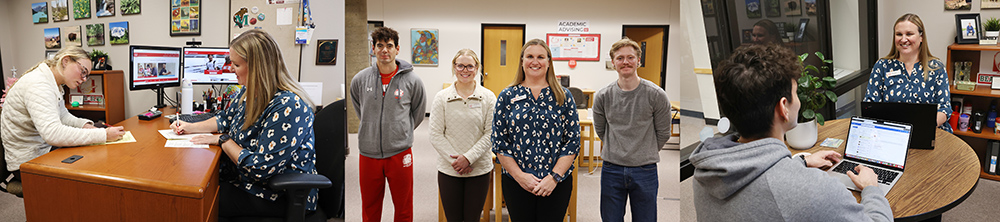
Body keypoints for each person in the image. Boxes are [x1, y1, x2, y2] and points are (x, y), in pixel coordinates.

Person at [690, 44, 892, 221]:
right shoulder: (813, 190)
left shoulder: (706, 171)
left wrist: (801, 162)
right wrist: (871, 188)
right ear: (783, 108)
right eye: (796, 93)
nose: (799, 100)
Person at [169, 29, 318, 219]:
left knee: (194, 203)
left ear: (258, 67)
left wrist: (223, 140)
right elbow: (225, 118)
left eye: (236, 64)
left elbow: (261, 169)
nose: (230, 68)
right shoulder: (248, 92)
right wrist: (189, 127)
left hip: (277, 193)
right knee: (190, 185)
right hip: (245, 181)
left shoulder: (288, 106)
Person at [1, 45, 126, 197]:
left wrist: (86, 126)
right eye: (83, 72)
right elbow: (53, 134)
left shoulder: (52, 82)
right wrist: (103, 135)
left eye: (87, 75)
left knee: (97, 134)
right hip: (27, 162)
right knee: (92, 164)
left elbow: (63, 117)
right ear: (65, 61)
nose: (84, 80)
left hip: (41, 149)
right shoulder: (39, 85)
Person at [492, 38, 580, 221]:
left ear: (548, 62)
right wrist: (521, 177)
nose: (535, 61)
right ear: (522, 61)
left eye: (541, 57)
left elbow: (572, 141)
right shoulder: (507, 96)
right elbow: (500, 143)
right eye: (529, 56)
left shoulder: (563, 96)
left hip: (556, 182)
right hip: (517, 181)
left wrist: (554, 177)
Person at [350, 27, 426, 222]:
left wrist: (401, 130)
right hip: (368, 152)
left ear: (397, 49)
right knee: (370, 206)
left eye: (389, 46)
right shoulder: (360, 79)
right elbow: (361, 109)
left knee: (403, 206)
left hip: (400, 152)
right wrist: (371, 126)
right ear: (373, 49)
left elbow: (417, 113)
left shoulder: (412, 80)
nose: (385, 50)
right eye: (380, 45)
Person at [593, 38, 672, 222]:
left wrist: (643, 152)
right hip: (612, 168)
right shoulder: (603, 96)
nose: (625, 62)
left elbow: (663, 133)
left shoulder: (656, 95)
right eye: (620, 58)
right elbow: (601, 130)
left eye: (630, 57)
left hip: (645, 169)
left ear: (639, 61)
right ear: (613, 63)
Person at [429, 49, 496, 221]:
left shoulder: (488, 97)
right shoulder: (441, 98)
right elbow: (436, 134)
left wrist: (468, 158)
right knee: (453, 218)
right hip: (449, 170)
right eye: (460, 66)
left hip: (478, 169)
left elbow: (490, 133)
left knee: (472, 218)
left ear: (477, 68)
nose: (465, 70)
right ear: (454, 67)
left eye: (469, 66)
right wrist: (457, 162)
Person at [864, 13, 953, 132]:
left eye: (909, 34)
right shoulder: (882, 66)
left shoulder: (936, 67)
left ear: (921, 37)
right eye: (899, 34)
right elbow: (870, 106)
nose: (903, 39)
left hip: (929, 130)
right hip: (893, 134)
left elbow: (944, 108)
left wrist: (921, 127)